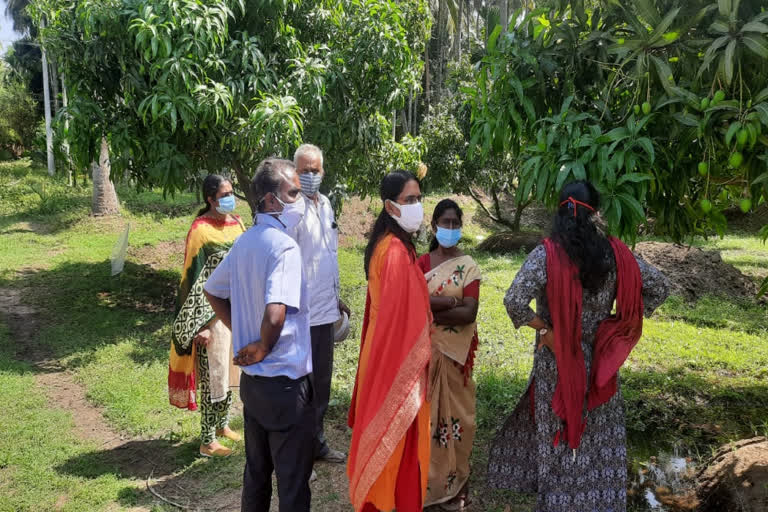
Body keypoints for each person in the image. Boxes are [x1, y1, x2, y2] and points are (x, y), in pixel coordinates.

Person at [487, 181, 670, 512]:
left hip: (556, 362)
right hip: (601, 362)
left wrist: (545, 329)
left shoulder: (546, 254)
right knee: (598, 446)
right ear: (596, 214)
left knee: (559, 440)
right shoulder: (616, 255)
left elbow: (514, 301)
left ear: (559, 212)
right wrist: (616, 328)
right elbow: (659, 286)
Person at [203, 158, 314, 512]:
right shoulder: (284, 247)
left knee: (257, 475)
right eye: (293, 193)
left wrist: (244, 332)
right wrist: (263, 343)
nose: (301, 200)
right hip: (284, 383)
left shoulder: (245, 241)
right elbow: (275, 312)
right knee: (293, 482)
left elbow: (213, 290)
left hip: (254, 385)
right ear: (270, 200)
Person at [347, 170, 432, 512]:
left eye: (419, 198)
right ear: (390, 206)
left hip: (384, 353)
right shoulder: (394, 251)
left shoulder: (392, 244)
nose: (417, 206)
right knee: (395, 445)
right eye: (409, 200)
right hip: (396, 360)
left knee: (392, 443)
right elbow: (401, 321)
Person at [168, 174, 245, 458]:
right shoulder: (200, 231)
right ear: (211, 199)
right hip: (209, 317)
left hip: (235, 310)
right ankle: (207, 440)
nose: (230, 197)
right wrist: (199, 326)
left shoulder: (237, 224)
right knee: (213, 376)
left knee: (228, 371)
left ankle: (223, 425)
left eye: (232, 192)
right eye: (224, 194)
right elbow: (191, 280)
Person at [417, 199, 481, 511]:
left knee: (460, 422)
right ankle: (428, 485)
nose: (451, 228)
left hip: (456, 360)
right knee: (427, 422)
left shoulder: (468, 266)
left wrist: (434, 306)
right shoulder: (422, 264)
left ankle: (458, 484)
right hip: (425, 357)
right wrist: (451, 304)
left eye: (456, 223)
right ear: (434, 226)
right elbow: (413, 306)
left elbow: (470, 313)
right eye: (445, 222)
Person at [290, 143, 349, 464]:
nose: (311, 176)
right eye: (305, 171)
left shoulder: (326, 204)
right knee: (302, 389)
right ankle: (299, 455)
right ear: (294, 172)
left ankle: (318, 444)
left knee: (322, 387)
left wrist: (336, 296)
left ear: (323, 172)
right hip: (300, 314)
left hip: (326, 311)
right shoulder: (290, 209)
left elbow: (325, 256)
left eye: (316, 170)